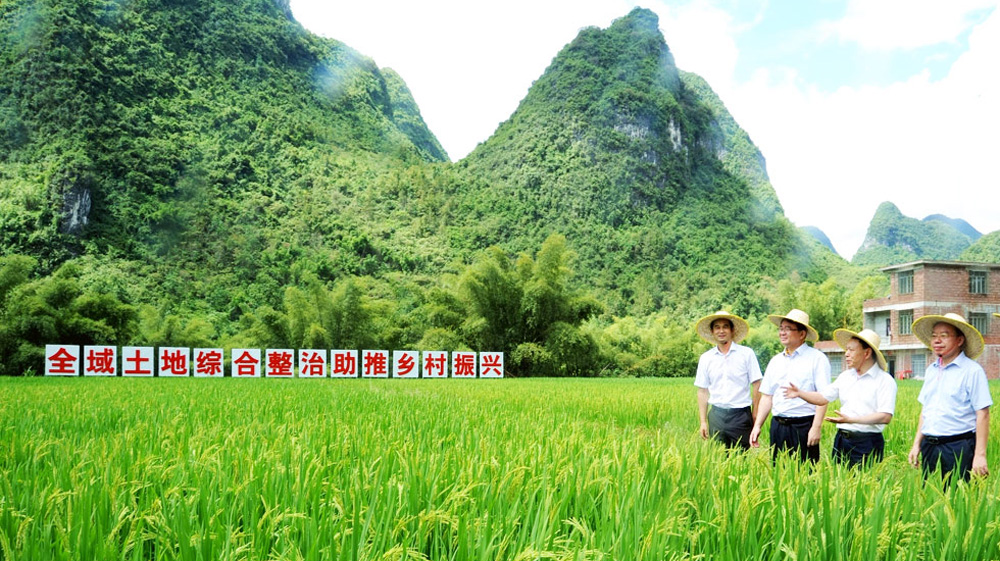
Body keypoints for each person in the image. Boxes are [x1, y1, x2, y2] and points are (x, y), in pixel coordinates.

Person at [782, 328, 897, 467]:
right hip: (842, 440)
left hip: (867, 442)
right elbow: (822, 397)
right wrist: (800, 393)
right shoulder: (846, 376)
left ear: (866, 353)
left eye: (851, 350)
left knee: (866, 485)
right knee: (839, 484)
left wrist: (851, 420)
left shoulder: (884, 380)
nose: (846, 354)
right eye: (846, 350)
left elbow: (885, 416)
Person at [907, 313, 991, 482]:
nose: (937, 341)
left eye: (944, 336)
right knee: (930, 498)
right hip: (929, 445)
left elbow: (983, 413)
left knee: (957, 500)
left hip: (958, 446)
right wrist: (916, 444)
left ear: (960, 340)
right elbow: (926, 410)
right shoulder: (931, 370)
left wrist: (980, 455)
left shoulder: (972, 371)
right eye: (934, 336)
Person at [750, 309, 831, 463]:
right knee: (778, 473)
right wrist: (757, 425)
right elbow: (767, 396)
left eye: (788, 329)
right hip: (778, 425)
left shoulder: (817, 359)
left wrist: (816, 427)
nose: (782, 333)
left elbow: (824, 397)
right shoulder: (775, 361)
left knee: (806, 474)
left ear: (802, 334)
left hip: (804, 425)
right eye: (781, 328)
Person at [694, 311, 763, 449]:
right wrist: (703, 421)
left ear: (732, 330)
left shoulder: (746, 354)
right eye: (717, 327)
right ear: (712, 332)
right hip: (716, 415)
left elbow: (757, 385)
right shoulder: (706, 358)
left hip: (741, 416)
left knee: (741, 461)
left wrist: (755, 415)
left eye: (725, 327)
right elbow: (702, 391)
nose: (721, 331)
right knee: (718, 460)